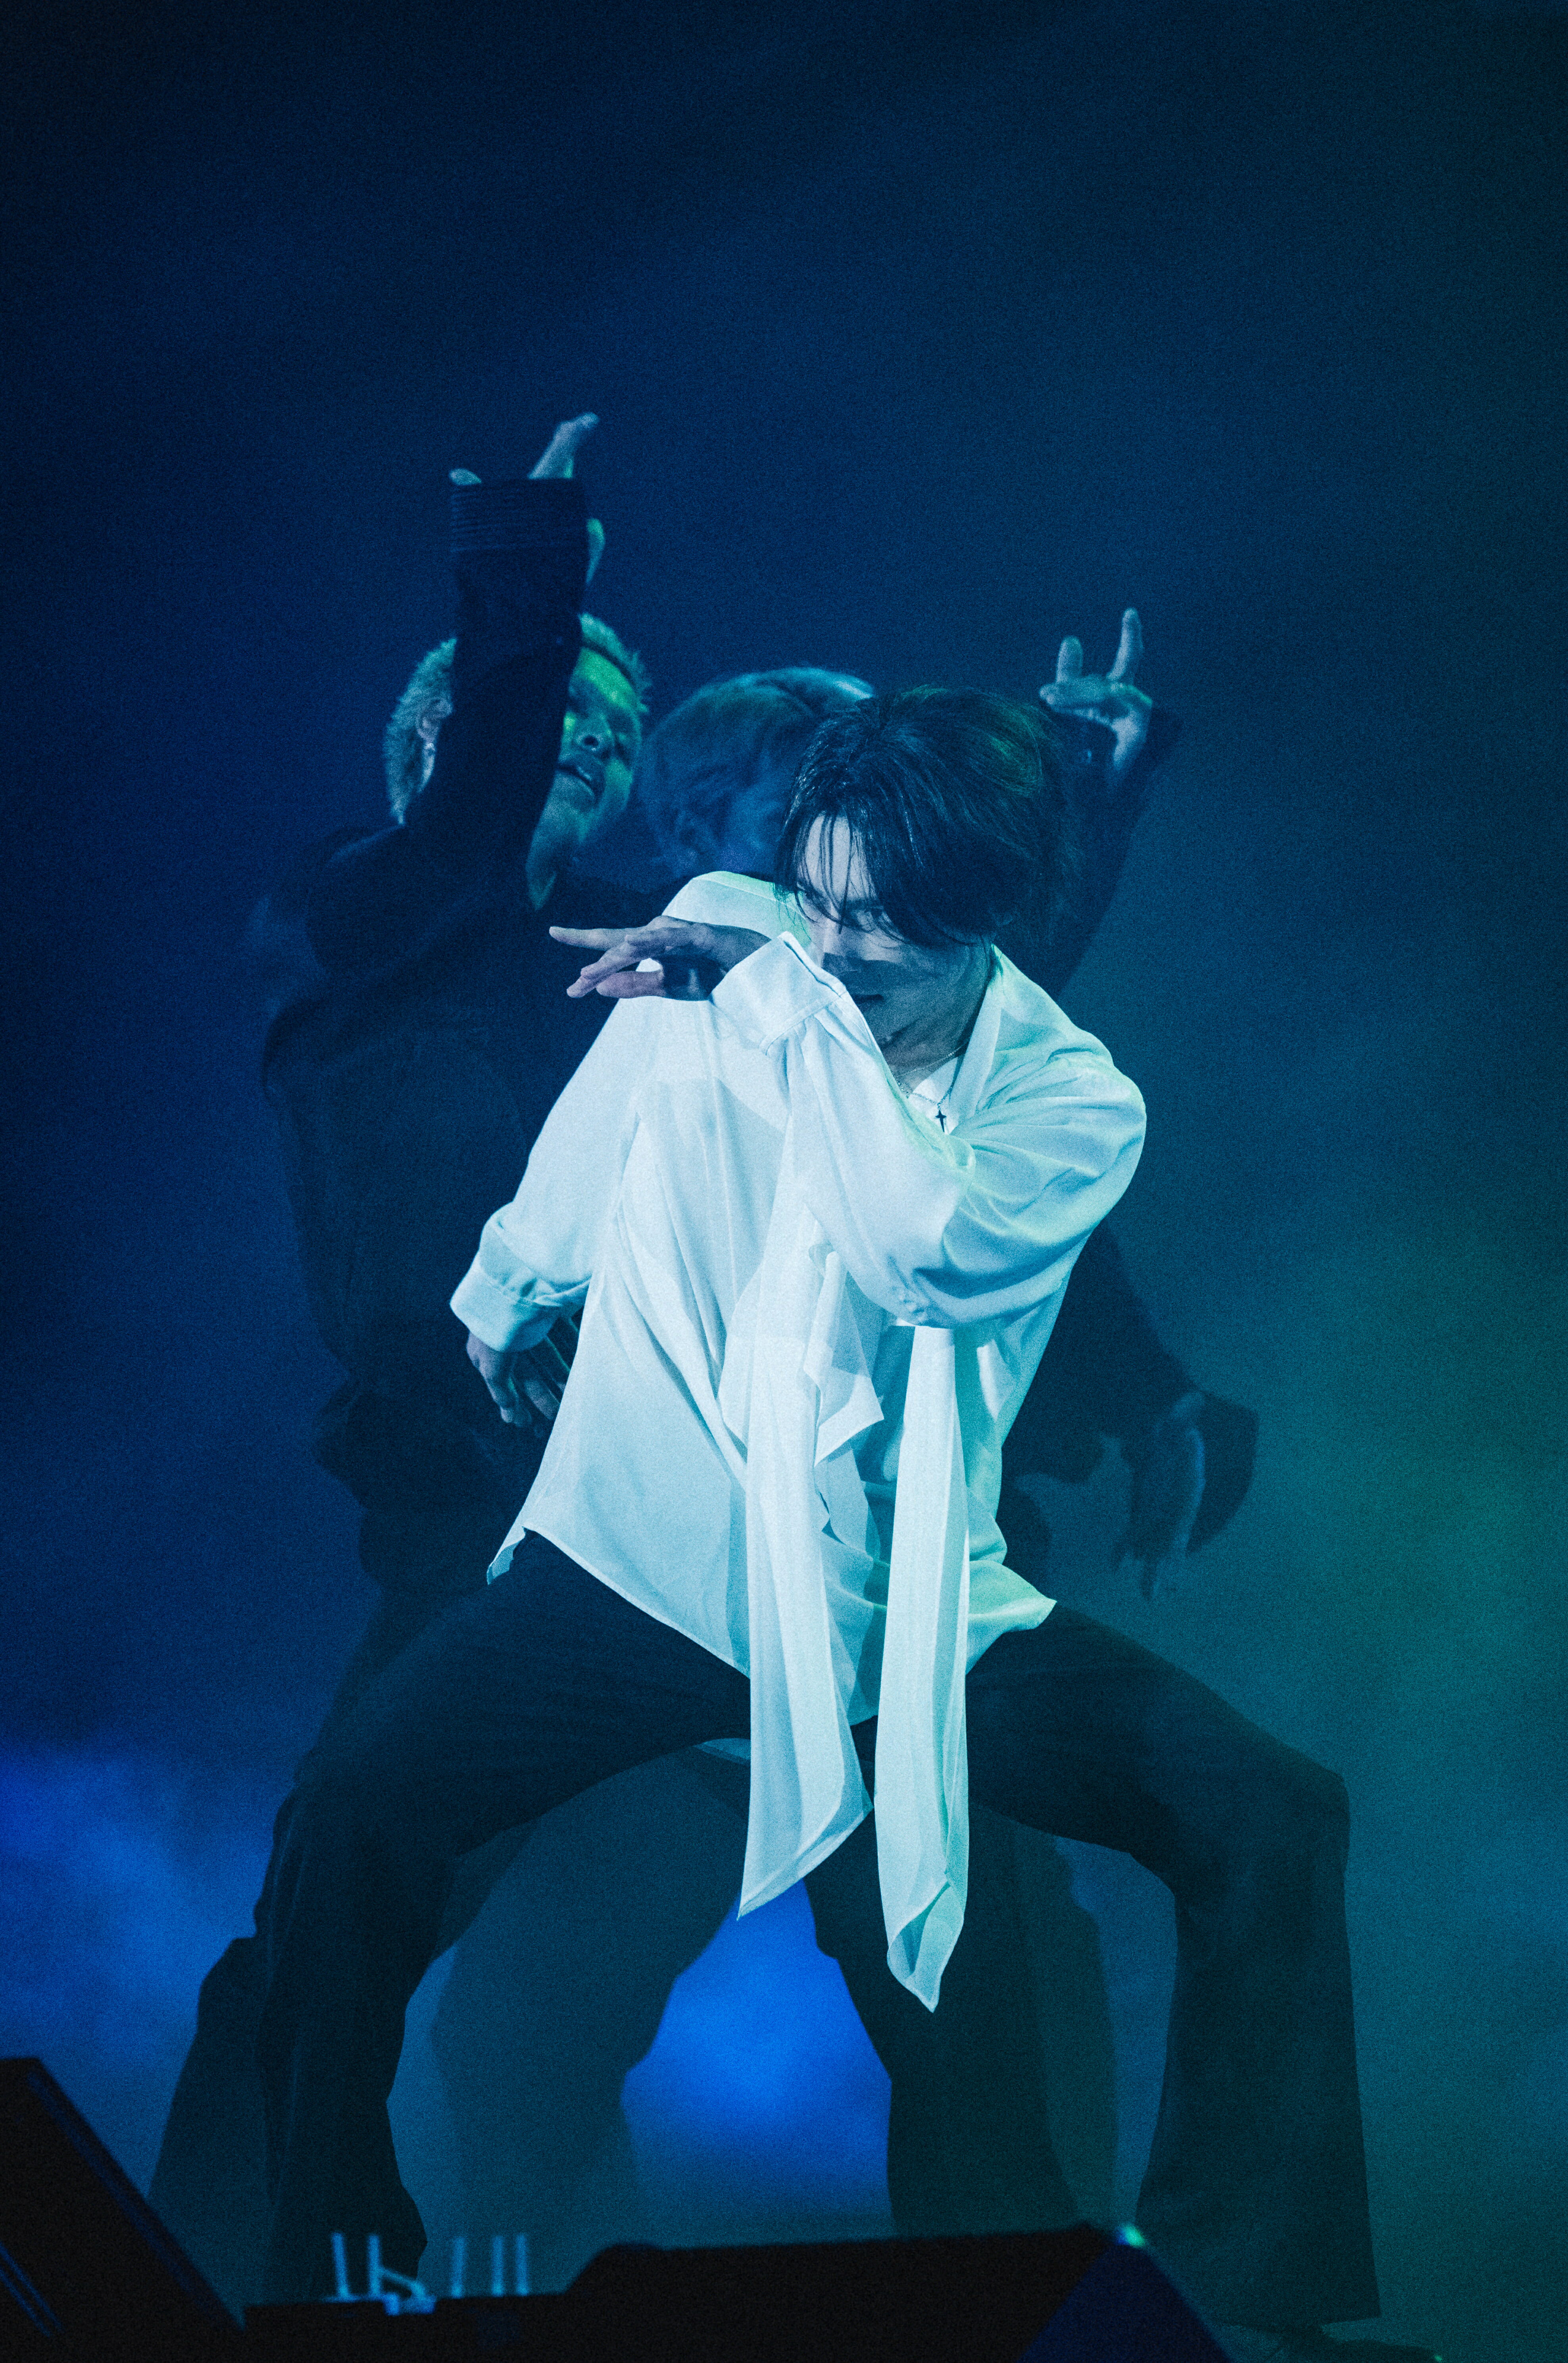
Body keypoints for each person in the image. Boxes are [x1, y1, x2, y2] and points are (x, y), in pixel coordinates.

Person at [244, 683, 1418, 2363]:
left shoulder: (1069, 1102)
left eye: (881, 926)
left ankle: (1239, 2295)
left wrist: (783, 999)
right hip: (641, 1563)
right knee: (351, 1823)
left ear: (986, 919)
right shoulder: (731, 938)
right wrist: (511, 1288)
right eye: (819, 902)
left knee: (1265, 1813)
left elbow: (912, 1244)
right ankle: (329, 2268)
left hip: (890, 1619)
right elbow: (609, 1116)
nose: (838, 946)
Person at [150, 413, 656, 2306]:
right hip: (478, 1527)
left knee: (960, 1903)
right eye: (551, 710)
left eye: (615, 734)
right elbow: (462, 836)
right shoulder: (344, 915)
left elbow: (893, 1040)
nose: (583, 743)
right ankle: (230, 2286)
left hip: (686, 1515)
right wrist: (527, 576)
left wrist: (1075, 809)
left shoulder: (633, 967)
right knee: (327, 1929)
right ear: (437, 733)